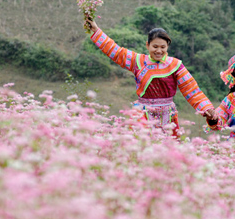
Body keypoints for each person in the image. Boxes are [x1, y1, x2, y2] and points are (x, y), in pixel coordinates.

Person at [85, 19, 217, 137]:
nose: (158, 51)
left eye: (162, 47)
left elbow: (191, 90)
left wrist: (205, 107)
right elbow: (115, 51)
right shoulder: (137, 61)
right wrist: (96, 30)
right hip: (143, 113)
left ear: (167, 47)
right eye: (155, 46)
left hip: (167, 115)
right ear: (147, 45)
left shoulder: (175, 65)